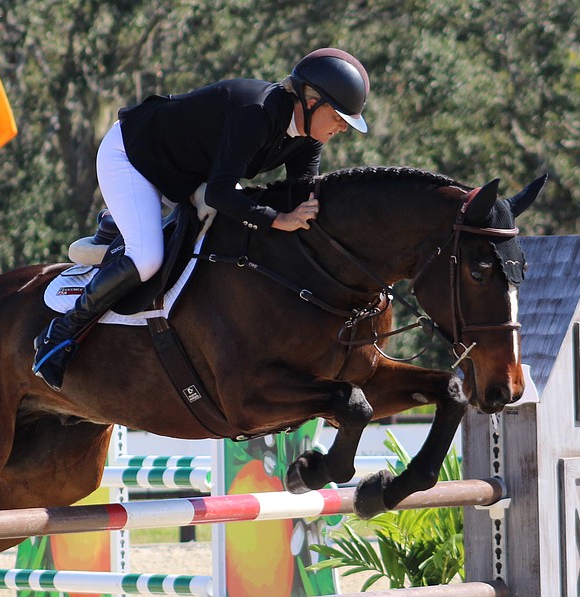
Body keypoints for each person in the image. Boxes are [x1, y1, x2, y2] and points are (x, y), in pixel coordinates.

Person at [33, 48, 370, 391]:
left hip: (191, 174)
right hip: (134, 158)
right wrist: (277, 220)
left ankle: (114, 225)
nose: (342, 127)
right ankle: (58, 336)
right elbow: (221, 195)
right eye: (340, 116)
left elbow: (301, 197)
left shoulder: (308, 138)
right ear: (310, 101)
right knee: (147, 259)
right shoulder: (256, 114)